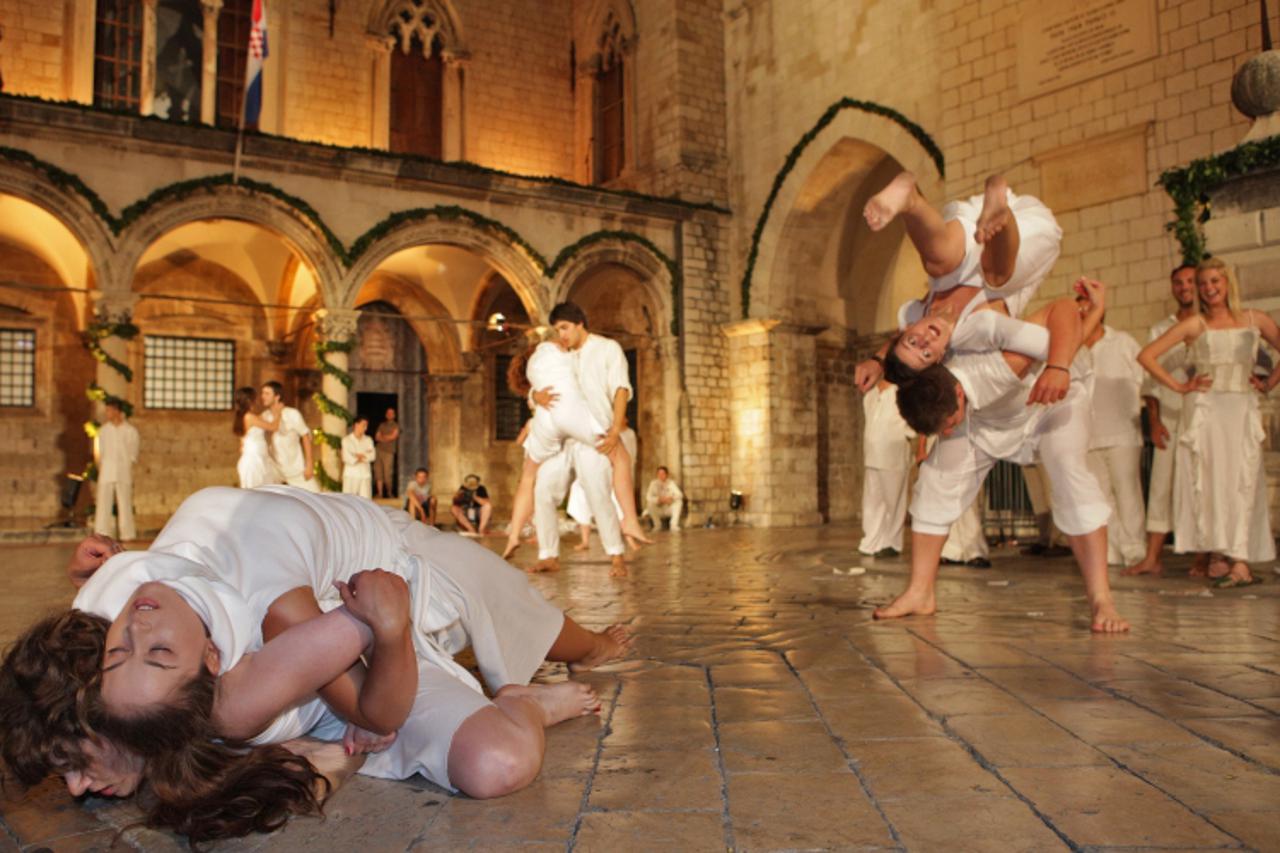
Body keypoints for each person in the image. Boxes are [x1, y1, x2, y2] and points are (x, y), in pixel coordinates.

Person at [1, 487, 634, 839]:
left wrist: (388, 631)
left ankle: (525, 696)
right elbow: (155, 594)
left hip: (373, 587)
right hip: (302, 615)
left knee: (511, 713)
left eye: (74, 762)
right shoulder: (120, 641)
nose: (78, 787)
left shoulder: (273, 623)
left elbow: (376, 712)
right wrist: (114, 558)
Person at [876, 280, 1130, 633]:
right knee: (936, 477)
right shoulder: (929, 363)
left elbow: (1062, 315)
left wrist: (1059, 365)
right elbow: (904, 346)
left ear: (960, 395)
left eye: (948, 423)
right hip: (987, 422)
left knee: (1068, 469)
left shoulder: (997, 358)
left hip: (1049, 404)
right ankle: (920, 592)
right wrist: (876, 360)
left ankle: (1102, 598)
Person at [1137, 257, 1279, 587]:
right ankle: (1220, 553)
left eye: (1215, 281)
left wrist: (1269, 383)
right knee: (1211, 481)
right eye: (1204, 284)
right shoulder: (1195, 325)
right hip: (1206, 410)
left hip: (1241, 408)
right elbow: (1146, 356)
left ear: (1228, 283)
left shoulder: (1252, 318)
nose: (1209, 288)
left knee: (1243, 480)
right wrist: (1180, 386)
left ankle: (1240, 559)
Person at [855, 172, 1062, 391]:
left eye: (913, 341)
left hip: (973, 222)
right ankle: (1003, 218)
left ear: (909, 327)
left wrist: (877, 360)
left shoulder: (913, 314)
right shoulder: (974, 332)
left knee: (939, 266)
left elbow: (896, 342)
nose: (924, 341)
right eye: (926, 354)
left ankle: (911, 201)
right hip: (1026, 236)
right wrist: (1059, 366)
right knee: (995, 279)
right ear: (941, 356)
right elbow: (1044, 343)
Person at [502, 325, 650, 561]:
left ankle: (515, 536)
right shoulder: (565, 358)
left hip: (553, 432)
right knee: (612, 466)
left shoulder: (539, 375)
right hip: (572, 430)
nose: (563, 340)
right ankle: (625, 528)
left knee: (534, 482)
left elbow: (537, 398)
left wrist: (533, 396)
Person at [1127, 264, 1198, 576]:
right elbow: (1150, 385)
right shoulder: (1160, 330)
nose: (1184, 287)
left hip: (1204, 416)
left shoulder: (1214, 324)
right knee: (1161, 486)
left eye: (1190, 282)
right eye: (1178, 283)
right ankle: (1153, 556)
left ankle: (1202, 557)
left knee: (1200, 484)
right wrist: (1153, 421)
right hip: (1170, 413)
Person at [1080, 312, 1146, 567]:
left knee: (1128, 493)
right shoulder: (1073, 346)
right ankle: (1109, 552)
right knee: (1100, 496)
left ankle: (1135, 550)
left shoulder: (1123, 342)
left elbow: (1144, 380)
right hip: (1088, 434)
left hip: (1123, 431)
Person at [859, 382, 913, 556]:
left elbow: (912, 423)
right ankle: (871, 541)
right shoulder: (870, 395)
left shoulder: (903, 392)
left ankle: (892, 543)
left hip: (894, 453)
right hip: (872, 454)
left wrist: (905, 435)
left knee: (894, 500)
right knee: (872, 500)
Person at [93, 400, 140, 541]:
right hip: (107, 470)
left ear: (117, 411)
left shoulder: (130, 431)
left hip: (123, 470)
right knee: (103, 503)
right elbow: (100, 452)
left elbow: (133, 452)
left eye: (109, 410)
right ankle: (101, 533)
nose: (107, 413)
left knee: (125, 502)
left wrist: (127, 463)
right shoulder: (103, 431)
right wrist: (100, 465)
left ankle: (127, 533)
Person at [260, 382, 317, 492]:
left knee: (315, 497)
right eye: (262, 393)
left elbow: (305, 436)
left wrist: (309, 464)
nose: (263, 396)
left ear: (277, 397)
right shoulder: (264, 415)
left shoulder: (292, 413)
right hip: (275, 470)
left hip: (296, 469)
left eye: (267, 393)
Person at [232, 386, 281, 489]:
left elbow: (242, 442)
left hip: (258, 455)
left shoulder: (248, 416)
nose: (258, 400)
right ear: (250, 400)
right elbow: (273, 427)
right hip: (254, 459)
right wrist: (278, 412)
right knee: (256, 491)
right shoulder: (249, 417)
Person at [341, 417, 376, 499]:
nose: (365, 428)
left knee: (366, 501)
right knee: (348, 501)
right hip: (351, 475)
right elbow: (346, 457)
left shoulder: (368, 440)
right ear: (356, 425)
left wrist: (356, 455)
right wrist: (363, 455)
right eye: (364, 425)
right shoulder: (346, 440)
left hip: (365, 474)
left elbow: (372, 456)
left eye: (366, 426)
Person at [644, 466, 684, 532]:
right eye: (659, 474)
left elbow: (679, 494)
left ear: (666, 474)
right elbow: (648, 497)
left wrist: (671, 498)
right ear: (657, 475)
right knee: (650, 504)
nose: (661, 476)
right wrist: (658, 499)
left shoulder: (671, 483)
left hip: (668, 508)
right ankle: (657, 525)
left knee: (679, 502)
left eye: (663, 474)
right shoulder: (653, 484)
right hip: (659, 508)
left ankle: (674, 525)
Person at [374, 408, 400, 498]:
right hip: (379, 450)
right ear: (386, 415)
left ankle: (389, 492)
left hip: (389, 452)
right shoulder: (382, 425)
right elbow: (377, 437)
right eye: (388, 413)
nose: (389, 415)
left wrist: (383, 437)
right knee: (378, 472)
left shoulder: (396, 425)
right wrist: (386, 437)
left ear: (394, 415)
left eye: (391, 413)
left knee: (387, 474)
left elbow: (393, 436)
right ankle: (380, 493)